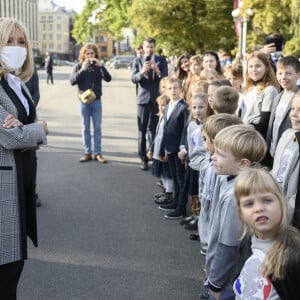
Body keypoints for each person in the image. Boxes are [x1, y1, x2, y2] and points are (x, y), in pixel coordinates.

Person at [0, 18, 48, 299]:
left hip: (21, 182)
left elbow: (21, 129)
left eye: (21, 42)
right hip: (4, 188)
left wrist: (26, 128)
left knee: (14, 267)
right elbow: (9, 137)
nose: (17, 48)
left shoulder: (16, 82)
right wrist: (39, 129)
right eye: (9, 41)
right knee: (6, 274)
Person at [206, 125, 267, 300]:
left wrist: (215, 284)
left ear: (242, 164)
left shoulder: (235, 197)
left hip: (227, 281)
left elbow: (228, 246)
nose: (213, 157)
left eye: (220, 154)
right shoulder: (236, 182)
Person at [233, 168, 300, 300]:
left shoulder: (293, 256)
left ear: (282, 203)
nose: (259, 208)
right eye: (249, 204)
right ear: (241, 214)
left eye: (267, 200)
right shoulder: (247, 241)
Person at [164, 93, 207, 220]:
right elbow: (189, 142)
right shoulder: (192, 124)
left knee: (201, 194)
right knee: (190, 191)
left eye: (201, 107)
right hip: (192, 163)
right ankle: (194, 216)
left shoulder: (208, 125)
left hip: (203, 166)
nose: (197, 111)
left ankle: (201, 221)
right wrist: (184, 151)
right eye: (194, 108)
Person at [70, 43, 112, 163]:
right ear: (83, 54)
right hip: (83, 102)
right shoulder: (78, 66)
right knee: (85, 128)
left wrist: (102, 66)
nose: (89, 55)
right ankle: (87, 152)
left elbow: (108, 79)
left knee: (97, 128)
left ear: (95, 54)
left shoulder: (98, 66)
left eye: (92, 53)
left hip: (97, 101)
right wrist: (83, 69)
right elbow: (72, 81)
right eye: (87, 53)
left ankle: (98, 153)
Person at [131, 37, 168, 171]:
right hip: (142, 100)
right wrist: (142, 72)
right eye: (147, 47)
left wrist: (157, 70)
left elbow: (165, 78)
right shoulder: (137, 61)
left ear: (154, 47)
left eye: (151, 47)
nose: (149, 49)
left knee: (155, 129)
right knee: (142, 130)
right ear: (143, 47)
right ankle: (143, 159)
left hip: (157, 100)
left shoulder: (161, 60)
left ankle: (152, 153)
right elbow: (133, 79)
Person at [157, 77, 188, 212]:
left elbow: (185, 130)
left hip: (178, 150)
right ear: (166, 91)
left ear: (181, 89)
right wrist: (161, 150)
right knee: (174, 177)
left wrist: (183, 148)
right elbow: (165, 130)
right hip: (169, 147)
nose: (173, 91)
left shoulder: (184, 108)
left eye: (176, 88)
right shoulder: (167, 106)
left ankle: (181, 207)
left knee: (181, 179)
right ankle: (175, 202)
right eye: (170, 88)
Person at [265, 55, 300, 168]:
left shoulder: (298, 98)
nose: (283, 77)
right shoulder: (277, 98)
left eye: (288, 73)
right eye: (280, 73)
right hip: (273, 153)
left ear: (298, 74)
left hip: (290, 155)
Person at [271, 91, 300, 226]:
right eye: (293, 109)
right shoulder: (287, 135)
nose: (294, 114)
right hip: (278, 201)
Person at [241, 51, 280, 139]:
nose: (253, 69)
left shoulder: (269, 90)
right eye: (250, 66)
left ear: (266, 68)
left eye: (258, 66)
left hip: (255, 138)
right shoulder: (249, 88)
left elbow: (265, 123)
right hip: (243, 135)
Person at [152, 94, 174, 205]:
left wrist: (165, 152)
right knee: (162, 173)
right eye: (159, 105)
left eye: (163, 105)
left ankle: (169, 193)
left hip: (164, 150)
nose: (161, 107)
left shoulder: (168, 119)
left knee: (167, 173)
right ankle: (165, 190)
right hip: (158, 149)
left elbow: (167, 136)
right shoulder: (161, 117)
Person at [25, 65, 42, 207]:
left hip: (28, 119)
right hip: (8, 121)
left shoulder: (31, 68)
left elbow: (36, 94)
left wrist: (26, 112)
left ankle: (32, 192)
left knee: (31, 158)